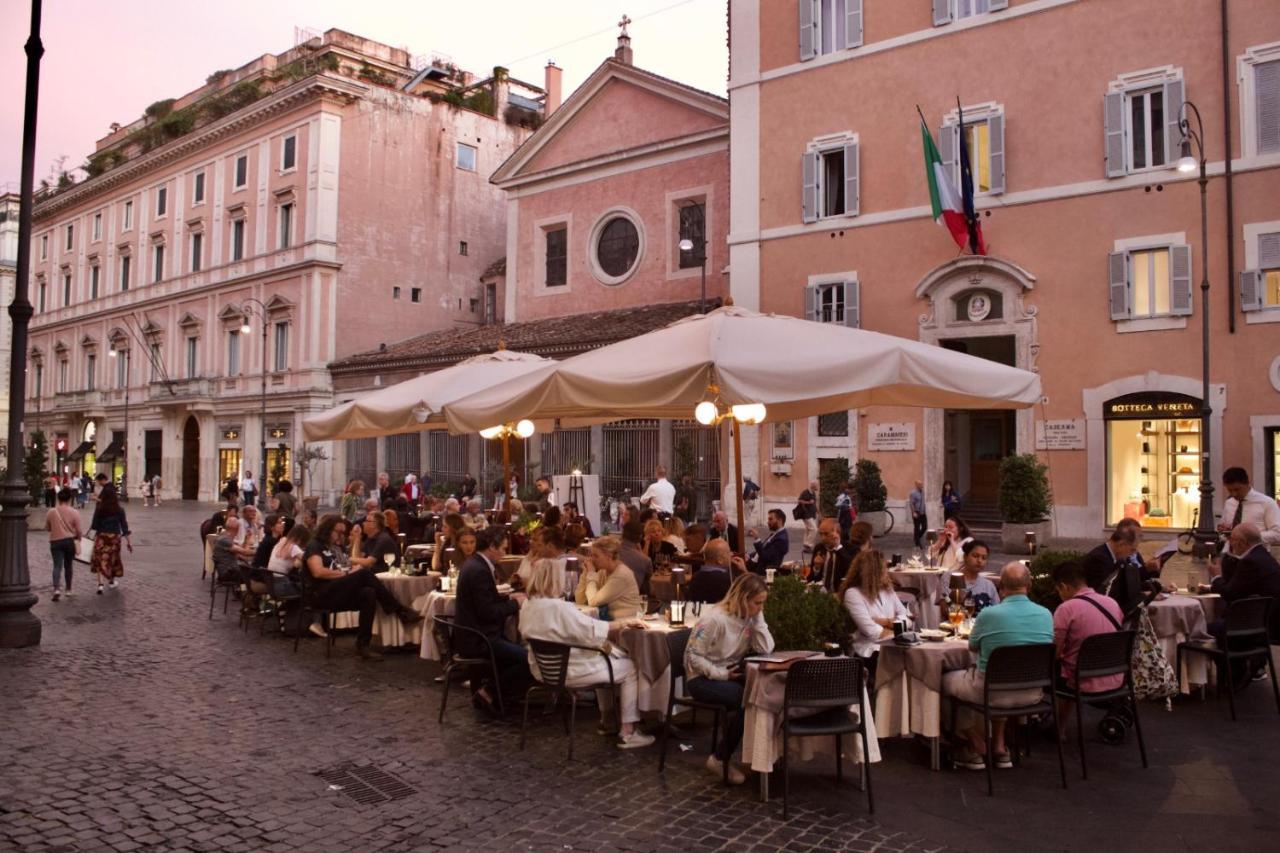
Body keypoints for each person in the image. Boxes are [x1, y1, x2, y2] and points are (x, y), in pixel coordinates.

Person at [519, 558, 655, 749]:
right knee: (630, 667)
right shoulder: (559, 608)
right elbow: (592, 630)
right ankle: (628, 731)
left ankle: (607, 719)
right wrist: (624, 623)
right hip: (569, 671)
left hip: (542, 670)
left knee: (606, 659)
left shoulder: (527, 606)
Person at [942, 562, 1052, 771]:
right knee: (1003, 678)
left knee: (940, 680)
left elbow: (973, 647)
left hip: (991, 691)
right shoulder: (1046, 614)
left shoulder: (989, 615)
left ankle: (973, 744)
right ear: (1029, 585)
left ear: (1001, 587)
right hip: (1032, 692)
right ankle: (999, 746)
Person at [685, 573, 775, 784]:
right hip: (701, 678)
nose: (760, 607)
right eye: (757, 603)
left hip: (728, 673)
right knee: (750, 700)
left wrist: (758, 618)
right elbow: (692, 656)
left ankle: (761, 756)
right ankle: (719, 758)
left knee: (767, 693)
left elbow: (766, 648)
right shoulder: (714, 620)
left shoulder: (749, 617)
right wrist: (721, 675)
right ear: (743, 599)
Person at [301, 515, 423, 660]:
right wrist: (346, 573)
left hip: (338, 590)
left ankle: (363, 645)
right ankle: (399, 609)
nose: (341, 536)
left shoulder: (337, 547)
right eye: (338, 532)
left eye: (343, 533)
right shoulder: (315, 546)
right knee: (364, 573)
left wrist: (351, 569)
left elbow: (347, 563)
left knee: (368, 593)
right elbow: (318, 572)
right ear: (327, 530)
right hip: (320, 593)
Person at [454, 527, 529, 713]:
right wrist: (515, 605)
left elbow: (486, 600)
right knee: (531, 660)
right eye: (503, 548)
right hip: (480, 639)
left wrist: (509, 598)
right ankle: (489, 692)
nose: (504, 553)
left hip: (474, 633)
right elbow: (487, 612)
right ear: (491, 547)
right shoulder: (479, 570)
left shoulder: (475, 564)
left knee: (520, 653)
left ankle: (500, 694)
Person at [1051, 559, 1124, 737]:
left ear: (1064, 586)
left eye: (1058, 590)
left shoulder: (1066, 609)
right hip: (1116, 677)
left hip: (1081, 681)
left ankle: (1059, 728)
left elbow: (1054, 652)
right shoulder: (1111, 603)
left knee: (1054, 670)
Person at [1208, 523, 1280, 664]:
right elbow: (1241, 587)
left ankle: (1222, 676)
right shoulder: (1263, 555)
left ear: (1242, 542)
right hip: (1266, 621)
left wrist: (1216, 576)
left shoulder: (1250, 561)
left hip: (1253, 626)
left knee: (1200, 629)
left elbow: (1229, 594)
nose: (1230, 542)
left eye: (1232, 539)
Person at [840, 549, 912, 686]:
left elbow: (907, 618)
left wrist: (886, 622)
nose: (887, 573)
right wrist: (897, 630)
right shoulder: (853, 594)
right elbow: (871, 632)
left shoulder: (887, 590)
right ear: (875, 573)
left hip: (892, 644)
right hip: (869, 649)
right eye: (884, 569)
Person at [576, 535, 644, 620]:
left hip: (629, 624)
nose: (592, 559)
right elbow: (580, 600)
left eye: (596, 556)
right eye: (591, 555)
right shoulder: (603, 571)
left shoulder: (621, 575)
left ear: (609, 557)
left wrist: (591, 573)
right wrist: (585, 573)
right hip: (612, 621)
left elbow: (593, 601)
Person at [1083, 525, 1147, 612]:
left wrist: (1148, 591)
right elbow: (1104, 591)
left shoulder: (1118, 558)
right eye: (1132, 550)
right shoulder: (1098, 558)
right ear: (1121, 544)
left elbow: (1127, 583)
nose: (1132, 554)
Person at [1218, 467, 1280, 545]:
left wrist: (1250, 537)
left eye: (1237, 489)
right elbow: (1224, 532)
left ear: (1247, 483)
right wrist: (1223, 532)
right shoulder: (1229, 503)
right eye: (1230, 490)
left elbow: (1278, 534)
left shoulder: (1267, 503)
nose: (1234, 494)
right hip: (1230, 552)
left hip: (1256, 554)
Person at [940, 539, 1000, 620]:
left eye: (984, 558)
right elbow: (944, 610)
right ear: (965, 556)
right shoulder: (950, 577)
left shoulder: (989, 585)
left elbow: (997, 613)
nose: (979, 561)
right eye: (975, 556)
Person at [89, 485, 132, 594]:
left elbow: (94, 525)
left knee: (100, 558)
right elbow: (124, 526)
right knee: (112, 558)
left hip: (102, 536)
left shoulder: (99, 508)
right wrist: (129, 542)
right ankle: (111, 581)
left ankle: (100, 584)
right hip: (114, 537)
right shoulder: (119, 510)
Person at [46, 487, 83, 601]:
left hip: (55, 541)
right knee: (68, 565)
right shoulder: (74, 512)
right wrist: (79, 539)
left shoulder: (51, 511)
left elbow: (48, 528)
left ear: (58, 499)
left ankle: (56, 589)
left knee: (57, 566)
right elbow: (79, 530)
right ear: (69, 499)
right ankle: (68, 590)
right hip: (69, 541)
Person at [809, 517, 853, 591]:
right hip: (821, 592)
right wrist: (817, 567)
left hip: (840, 592)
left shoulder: (849, 548)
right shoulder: (819, 548)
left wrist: (838, 548)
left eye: (826, 534)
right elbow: (812, 578)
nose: (823, 538)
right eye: (820, 534)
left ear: (837, 533)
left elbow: (851, 569)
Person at [212, 517, 256, 586]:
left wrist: (246, 540)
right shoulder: (225, 540)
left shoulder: (225, 537)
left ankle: (243, 592)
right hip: (228, 573)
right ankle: (246, 593)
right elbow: (244, 552)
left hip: (229, 570)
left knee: (252, 570)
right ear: (237, 529)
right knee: (256, 574)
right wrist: (259, 552)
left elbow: (240, 552)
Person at [746, 509, 789, 575]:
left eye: (770, 519)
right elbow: (763, 549)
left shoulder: (781, 539)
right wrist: (748, 555)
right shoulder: (776, 534)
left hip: (762, 571)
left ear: (780, 521)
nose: (768, 522)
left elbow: (765, 556)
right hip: (754, 564)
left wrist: (757, 539)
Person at [619, 521, 653, 596]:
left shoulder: (610, 552)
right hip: (633, 599)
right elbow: (650, 579)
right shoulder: (645, 560)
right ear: (640, 537)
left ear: (623, 534)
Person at [796, 480, 819, 553]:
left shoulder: (813, 493)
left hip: (812, 514)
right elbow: (799, 501)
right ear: (813, 485)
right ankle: (809, 545)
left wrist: (818, 511)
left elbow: (814, 503)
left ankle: (806, 545)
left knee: (808, 529)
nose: (817, 486)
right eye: (816, 485)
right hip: (806, 514)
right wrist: (808, 502)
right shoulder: (806, 492)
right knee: (814, 529)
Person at [909, 480, 927, 550]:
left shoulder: (922, 492)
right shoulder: (913, 493)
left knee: (925, 527)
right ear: (916, 485)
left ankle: (917, 537)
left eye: (922, 484)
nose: (922, 485)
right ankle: (917, 543)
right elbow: (911, 504)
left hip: (923, 513)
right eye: (920, 484)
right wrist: (913, 512)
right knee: (917, 528)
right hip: (917, 512)